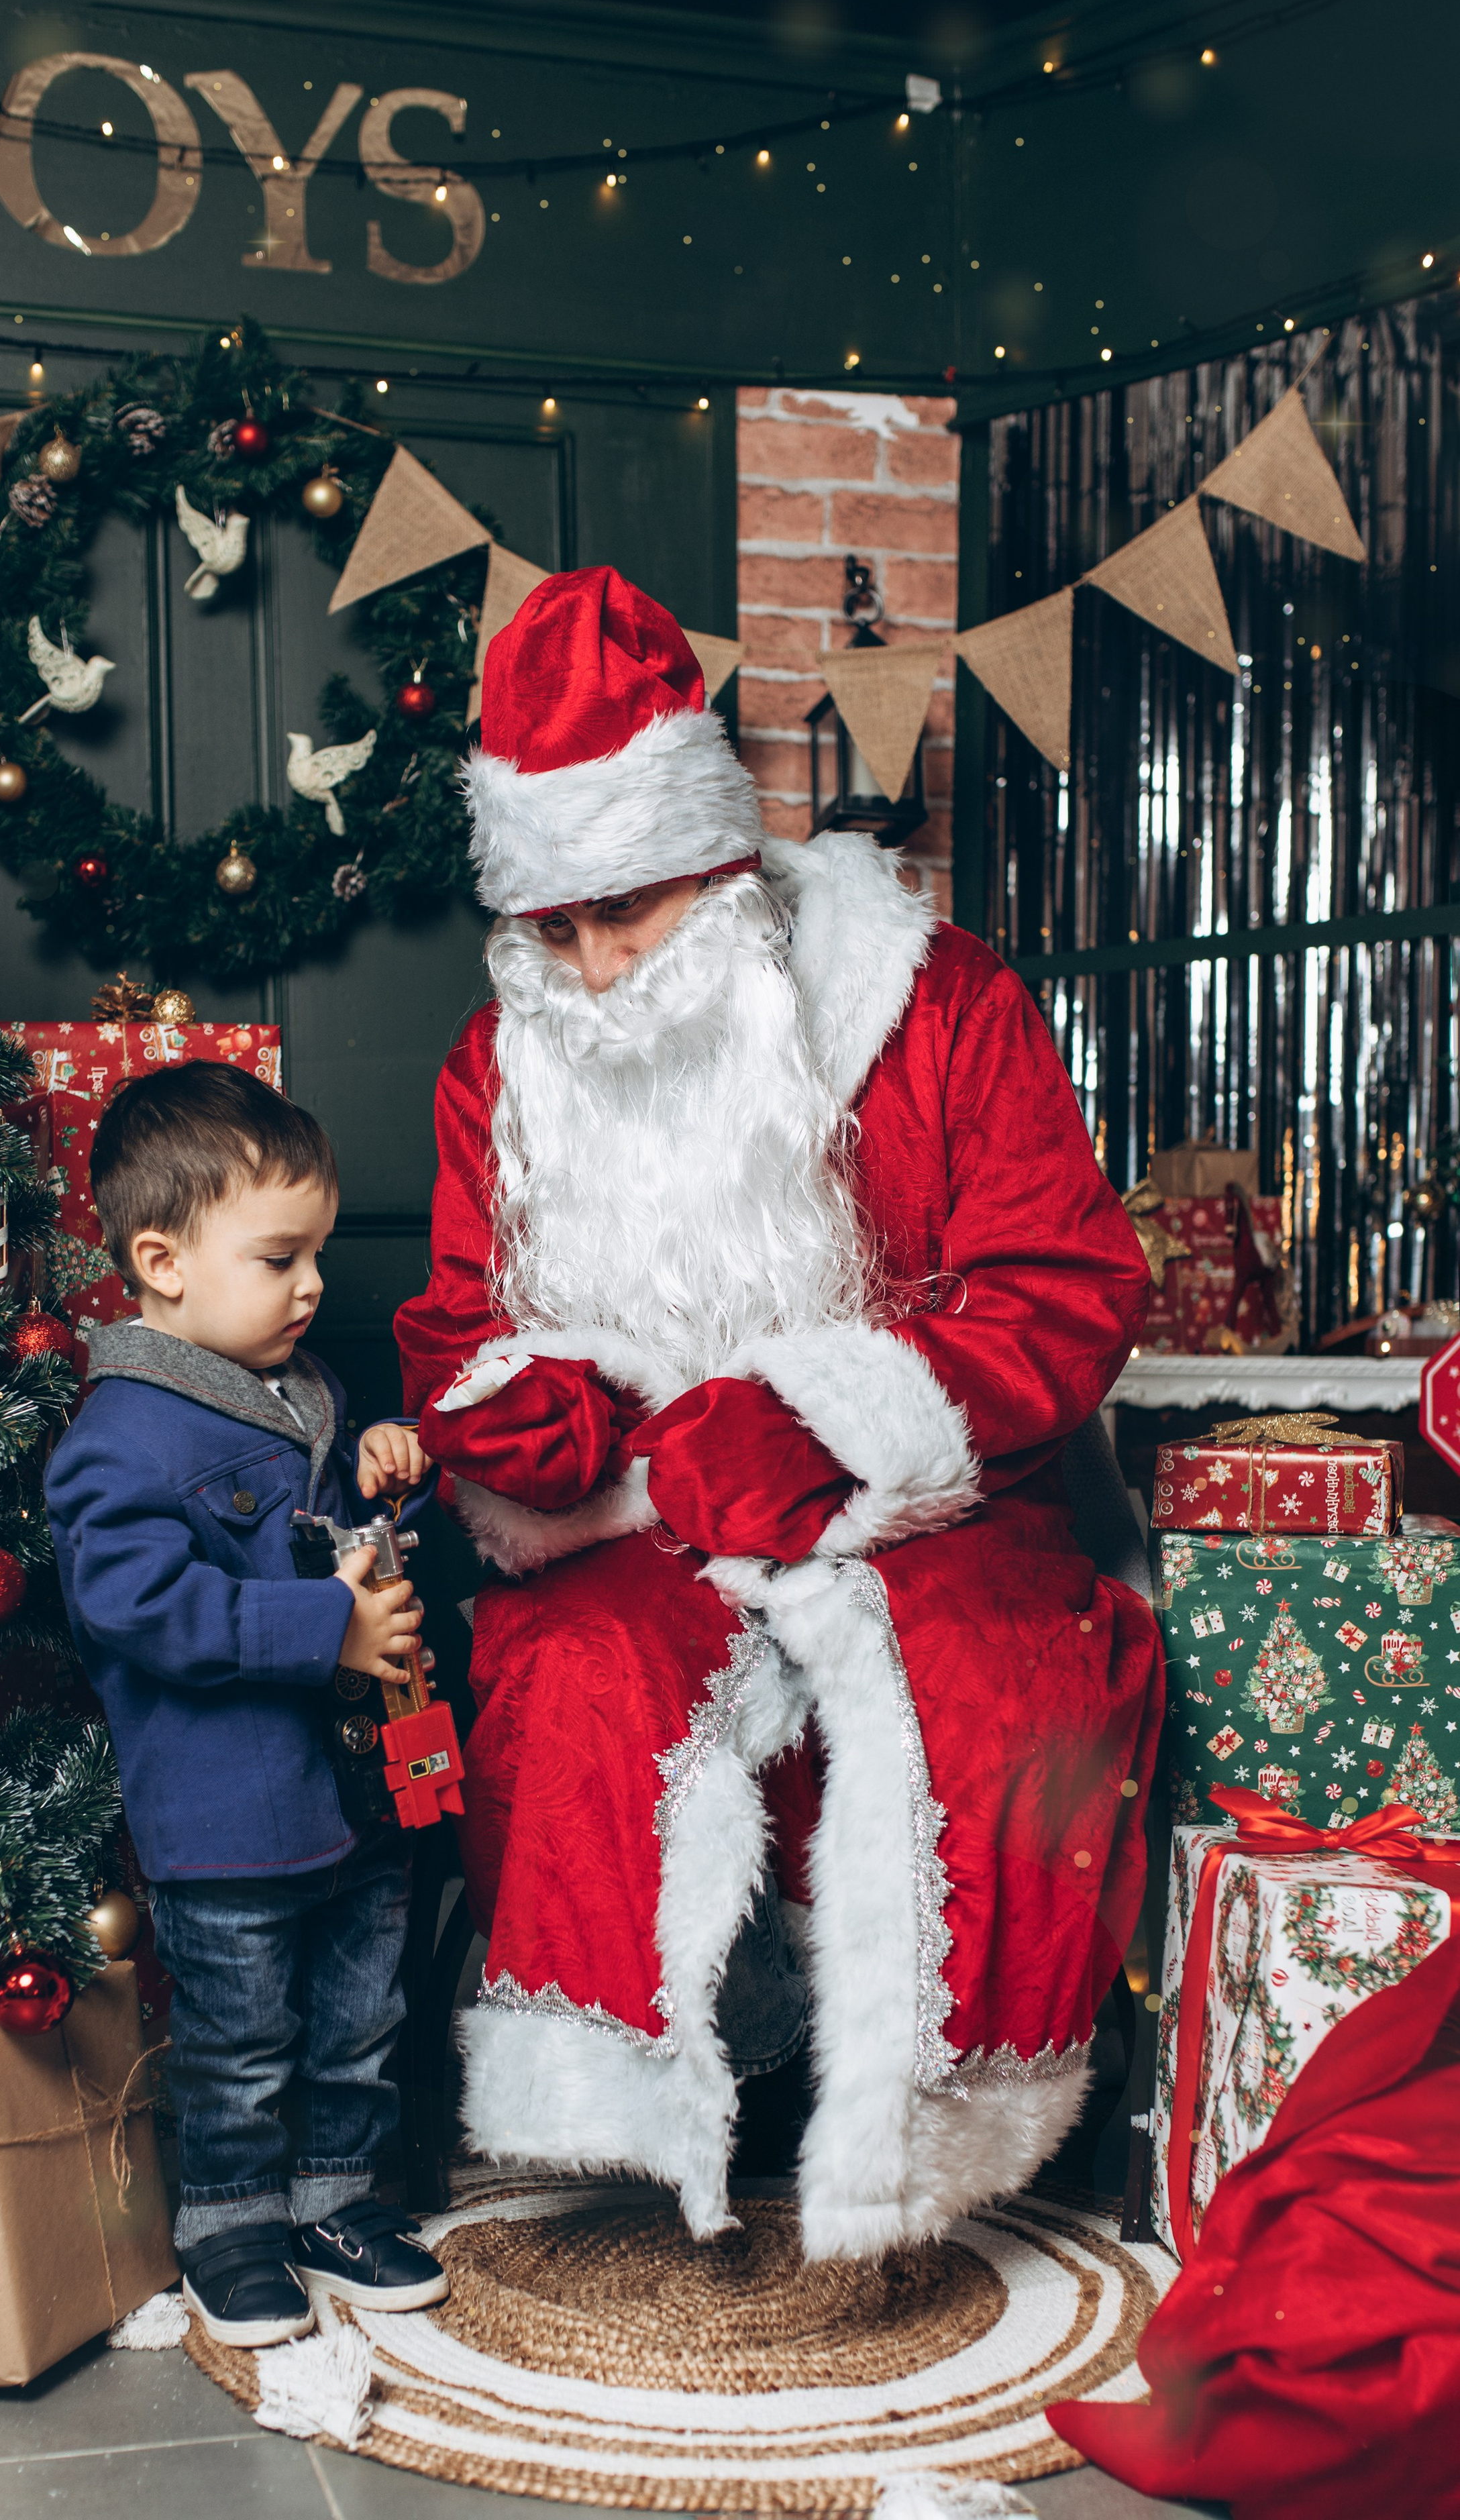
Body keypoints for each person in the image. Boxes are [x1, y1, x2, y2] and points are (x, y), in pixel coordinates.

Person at [397, 565, 1163, 2261]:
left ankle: (910, 2131)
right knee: (574, 1669)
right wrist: (518, 1409)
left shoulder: (931, 998)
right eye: (554, 927)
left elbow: (1063, 1283)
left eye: (634, 913)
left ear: (724, 864)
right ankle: (635, 2117)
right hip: (641, 1516)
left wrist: (833, 1416)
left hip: (927, 1506)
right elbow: (463, 1318)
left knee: (978, 1681)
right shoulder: (497, 1061)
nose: (594, 972)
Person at [44, 1063, 450, 2347]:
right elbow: (138, 1609)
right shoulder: (120, 1436)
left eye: (319, 1253)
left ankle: (335, 2203)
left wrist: (388, 1487)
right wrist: (327, 1628)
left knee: (358, 2015)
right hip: (224, 1814)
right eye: (280, 1258)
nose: (314, 1285)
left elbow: (328, 1543)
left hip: (353, 1788)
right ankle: (230, 2222)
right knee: (243, 2035)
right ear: (161, 1262)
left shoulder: (302, 1389)